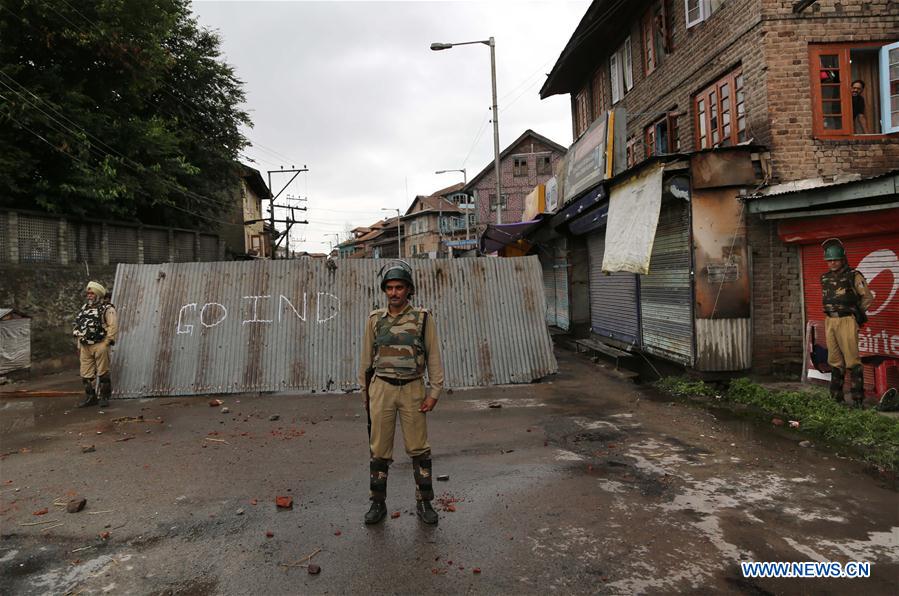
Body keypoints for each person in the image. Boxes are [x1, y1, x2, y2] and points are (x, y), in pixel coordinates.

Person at [358, 261, 444, 525]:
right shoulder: (375, 319)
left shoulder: (422, 318)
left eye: (399, 288)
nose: (394, 293)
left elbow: (433, 356)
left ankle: (425, 502)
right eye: (390, 288)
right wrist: (366, 394)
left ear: (409, 290)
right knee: (379, 449)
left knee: (419, 449)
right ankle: (377, 503)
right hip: (382, 388)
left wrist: (434, 392)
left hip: (412, 389)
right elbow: (365, 360)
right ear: (385, 290)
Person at [820, 239, 873, 407]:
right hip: (830, 320)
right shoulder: (824, 278)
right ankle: (836, 399)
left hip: (846, 320)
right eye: (829, 260)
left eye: (835, 259)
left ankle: (858, 401)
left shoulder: (853, 275)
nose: (832, 263)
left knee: (853, 361)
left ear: (843, 259)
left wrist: (856, 314)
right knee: (834, 360)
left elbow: (867, 297)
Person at [74, 281, 118, 408]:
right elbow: (80, 326)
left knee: (103, 372)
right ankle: (90, 397)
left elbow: (113, 326)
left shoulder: (107, 309)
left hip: (100, 344)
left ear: (98, 294)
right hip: (85, 345)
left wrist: (107, 342)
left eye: (92, 293)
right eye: (88, 293)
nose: (89, 295)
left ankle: (104, 397)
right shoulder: (84, 308)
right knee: (85, 374)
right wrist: (79, 345)